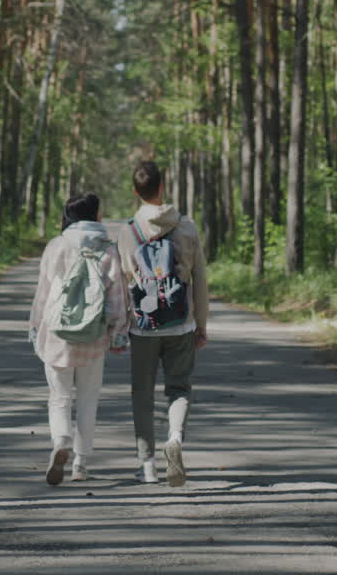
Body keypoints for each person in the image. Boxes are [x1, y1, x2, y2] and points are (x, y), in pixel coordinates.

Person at [28, 193, 131, 485]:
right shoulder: (108, 249)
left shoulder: (56, 246)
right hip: (93, 335)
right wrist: (119, 333)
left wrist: (35, 326)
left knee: (59, 397)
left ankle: (61, 441)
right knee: (88, 399)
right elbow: (117, 299)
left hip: (57, 333)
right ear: (96, 216)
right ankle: (81, 465)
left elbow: (43, 293)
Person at [117, 161, 209, 487]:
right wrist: (201, 323)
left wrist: (118, 327)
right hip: (180, 322)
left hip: (142, 326)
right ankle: (175, 439)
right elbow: (200, 279)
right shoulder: (187, 227)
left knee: (142, 393)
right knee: (179, 388)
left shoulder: (127, 231)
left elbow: (122, 283)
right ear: (162, 187)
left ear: (135, 191)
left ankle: (147, 467)